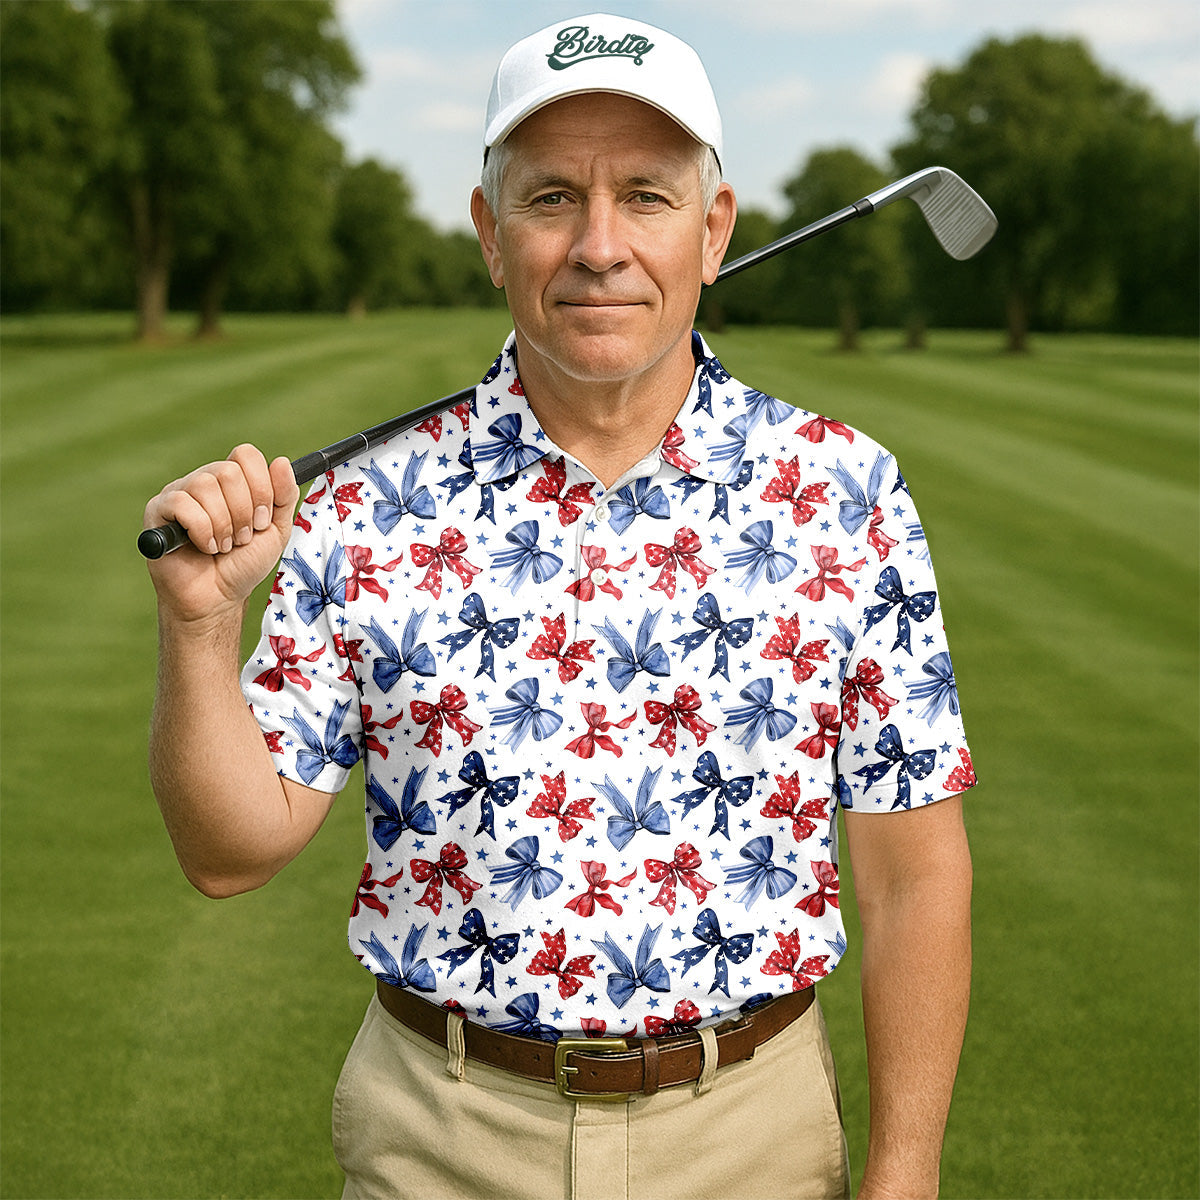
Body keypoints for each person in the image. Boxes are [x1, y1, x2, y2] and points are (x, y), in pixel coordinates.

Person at [144, 13, 975, 1200]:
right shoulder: (367, 506)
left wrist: (905, 1173)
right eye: (550, 199)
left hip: (753, 1135)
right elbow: (230, 852)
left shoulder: (844, 494)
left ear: (713, 226)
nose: (599, 246)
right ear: (491, 235)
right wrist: (198, 627)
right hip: (442, 1132)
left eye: (644, 195)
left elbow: (912, 872)